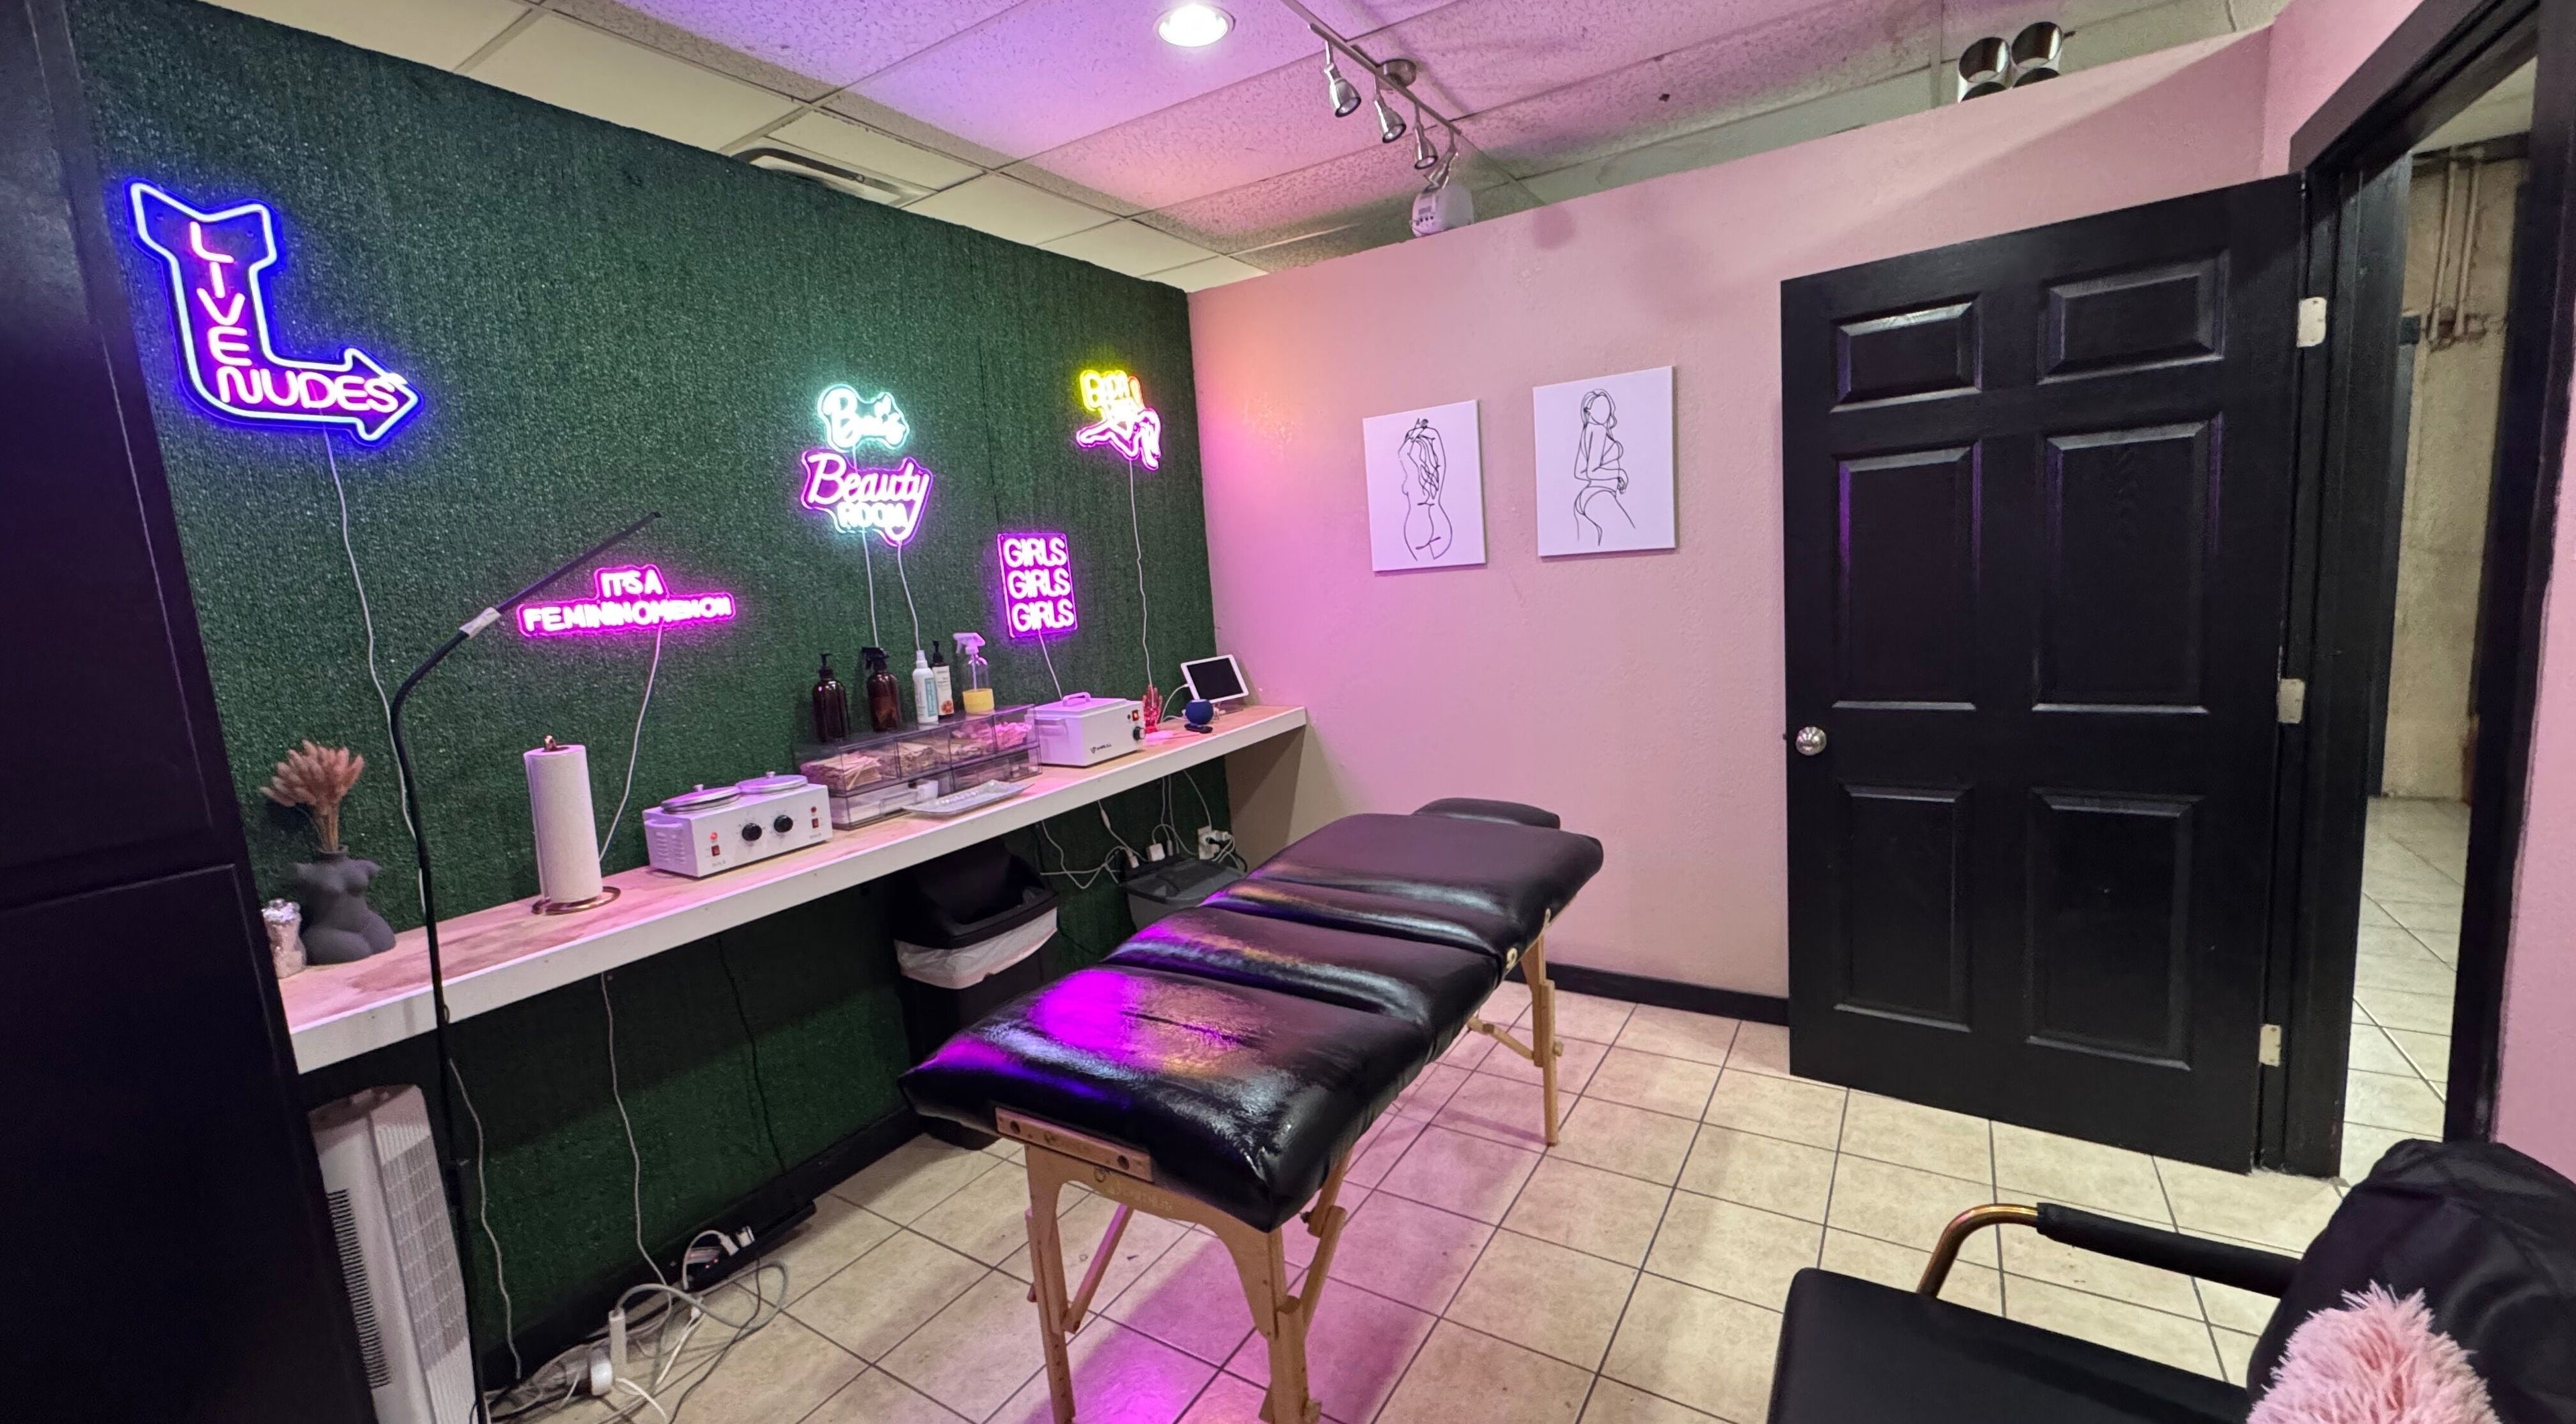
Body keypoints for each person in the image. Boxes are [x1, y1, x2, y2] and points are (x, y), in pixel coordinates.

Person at [1572, 388, 1633, 545]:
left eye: (1605, 406)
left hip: (1586, 499)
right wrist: (1619, 473)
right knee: (1629, 536)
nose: (1603, 411)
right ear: (1589, 411)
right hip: (1599, 495)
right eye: (1598, 407)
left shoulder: (1588, 430)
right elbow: (1592, 472)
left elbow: (1580, 472)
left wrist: (1609, 473)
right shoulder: (1598, 430)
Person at [1399, 417, 1453, 560]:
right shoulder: (1436, 474)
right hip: (1442, 524)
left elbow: (1403, 454)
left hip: (1419, 527)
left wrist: (1415, 432)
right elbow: (1437, 447)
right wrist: (1423, 429)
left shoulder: (1413, 473)